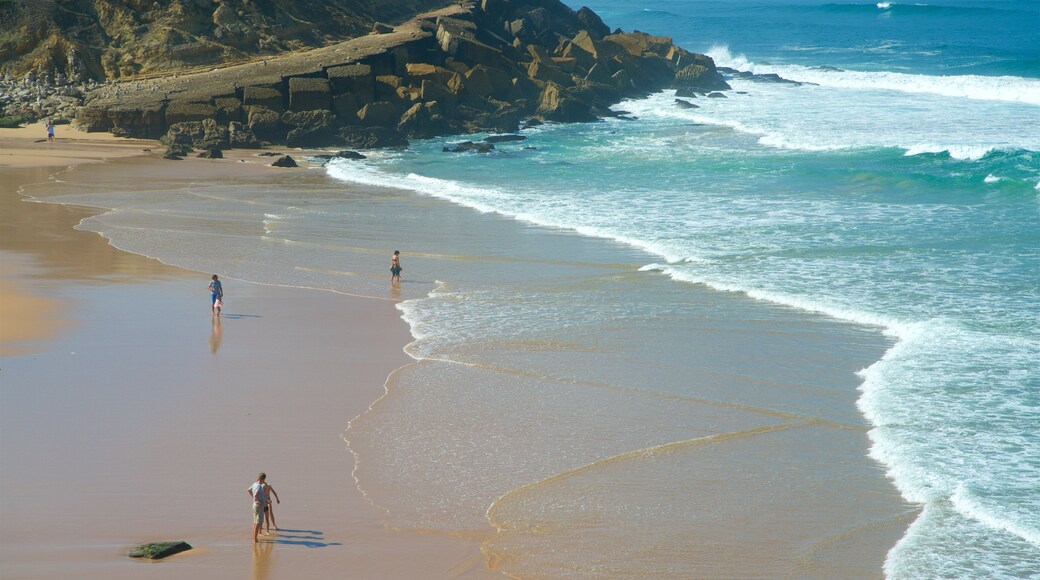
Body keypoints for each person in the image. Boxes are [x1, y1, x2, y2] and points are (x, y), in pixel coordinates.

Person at [247, 473, 267, 543]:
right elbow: (256, 495)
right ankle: (255, 539)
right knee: (258, 523)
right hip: (258, 505)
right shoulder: (258, 486)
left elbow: (249, 490)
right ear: (263, 479)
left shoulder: (254, 484)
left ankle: (254, 538)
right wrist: (261, 502)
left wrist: (254, 498)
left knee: (255, 522)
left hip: (255, 505)